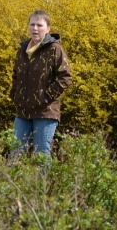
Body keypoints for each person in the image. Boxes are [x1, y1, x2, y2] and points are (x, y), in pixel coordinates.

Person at [10, 10, 72, 159]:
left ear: (48, 28)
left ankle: (43, 183)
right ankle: (16, 183)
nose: (35, 28)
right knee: (15, 152)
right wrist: (15, 95)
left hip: (45, 111)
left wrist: (45, 96)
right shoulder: (23, 50)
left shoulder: (54, 49)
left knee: (41, 154)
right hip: (23, 111)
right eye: (32, 24)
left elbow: (65, 77)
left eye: (39, 25)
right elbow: (16, 75)